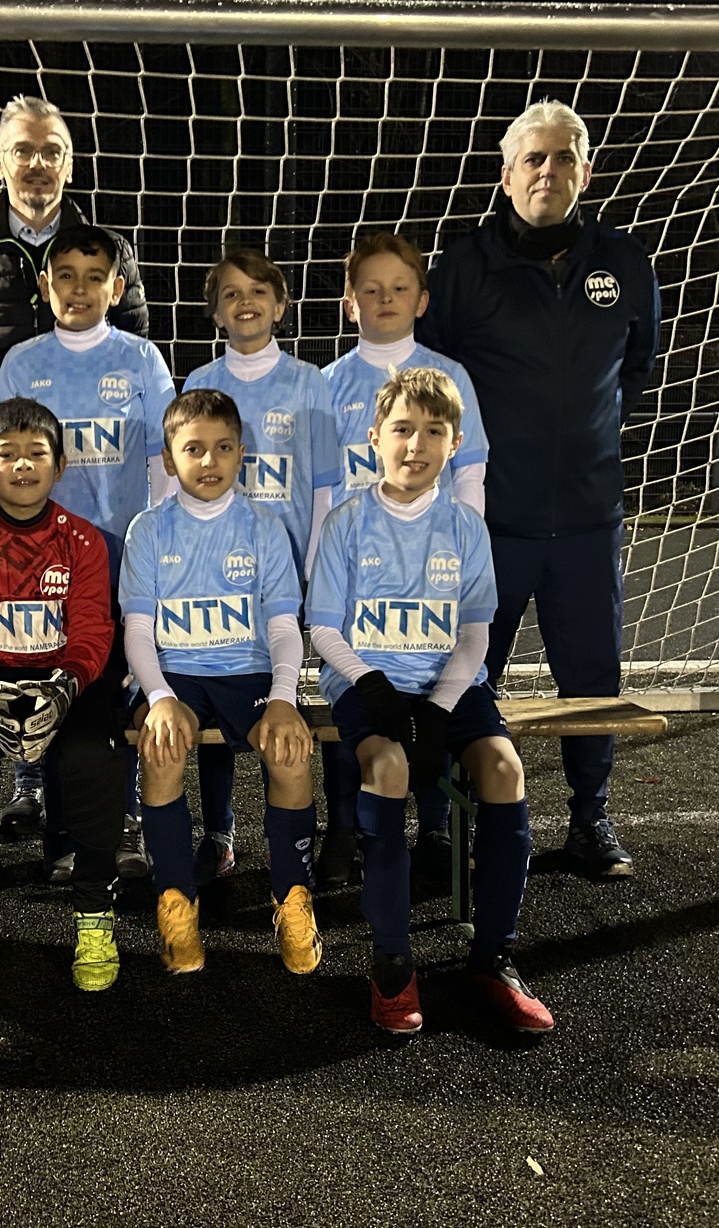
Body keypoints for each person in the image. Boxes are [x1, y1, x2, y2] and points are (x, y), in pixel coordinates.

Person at [416, 100, 661, 879]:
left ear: (584, 172)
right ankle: (453, 826)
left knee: (592, 679)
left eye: (562, 159)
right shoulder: (462, 267)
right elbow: (433, 381)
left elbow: (636, 366)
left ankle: (589, 820)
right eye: (533, 159)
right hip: (488, 523)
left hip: (588, 517)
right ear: (505, 174)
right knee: (463, 678)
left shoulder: (622, 262)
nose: (547, 172)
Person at [307, 368, 551, 1035]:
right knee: (385, 769)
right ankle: (392, 965)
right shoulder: (347, 522)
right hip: (370, 686)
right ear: (374, 438)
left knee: (502, 769)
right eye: (402, 430)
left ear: (454, 442)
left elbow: (475, 634)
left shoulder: (464, 528)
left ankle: (492, 957)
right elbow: (323, 627)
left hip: (451, 685)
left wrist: (440, 708)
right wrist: (371, 685)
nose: (416, 445)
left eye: (433, 432)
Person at [0, 399, 129, 996]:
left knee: (94, 758)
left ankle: (94, 914)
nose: (22, 466)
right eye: (6, 455)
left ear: (60, 466)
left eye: (36, 453)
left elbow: (94, 631)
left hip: (65, 681)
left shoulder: (85, 542)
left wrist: (64, 690)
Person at [0, 223, 176, 877]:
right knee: (44, 679)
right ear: (44, 287)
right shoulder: (21, 364)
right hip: (38, 559)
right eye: (64, 275)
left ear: (115, 287)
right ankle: (46, 806)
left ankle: (121, 819)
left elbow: (163, 461)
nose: (78, 288)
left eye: (93, 277)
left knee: (112, 690)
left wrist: (155, 548)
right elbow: (2, 463)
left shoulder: (140, 360)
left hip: (119, 555)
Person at [121, 388, 320, 975]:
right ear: (167, 457)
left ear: (241, 454)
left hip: (249, 672)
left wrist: (284, 698)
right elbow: (138, 632)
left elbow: (285, 627)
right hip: (173, 672)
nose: (209, 462)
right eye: (194, 449)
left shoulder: (264, 526)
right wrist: (158, 698)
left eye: (223, 448)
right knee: (160, 748)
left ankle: (292, 898)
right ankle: (177, 900)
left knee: (289, 752)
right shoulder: (148, 530)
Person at [320, 231, 494, 887]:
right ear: (348, 302)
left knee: (435, 689)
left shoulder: (451, 378)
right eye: (370, 288)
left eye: (398, 288)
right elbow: (321, 490)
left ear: (420, 300)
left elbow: (470, 476)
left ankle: (438, 828)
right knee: (358, 696)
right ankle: (342, 830)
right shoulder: (328, 384)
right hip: (359, 567)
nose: (384, 299)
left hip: (436, 574)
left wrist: (462, 552)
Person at [181, 248, 340, 880]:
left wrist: (317, 563)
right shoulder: (198, 382)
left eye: (257, 291)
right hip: (217, 575)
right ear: (216, 313)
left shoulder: (310, 381)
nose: (244, 302)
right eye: (229, 293)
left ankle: (310, 830)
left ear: (279, 304)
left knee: (294, 702)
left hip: (288, 573)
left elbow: (324, 485)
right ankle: (219, 833)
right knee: (218, 691)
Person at [0, 95, 149, 379]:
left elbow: (133, 356)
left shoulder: (115, 252)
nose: (37, 164)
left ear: (70, 167)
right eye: (22, 151)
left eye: (52, 152)